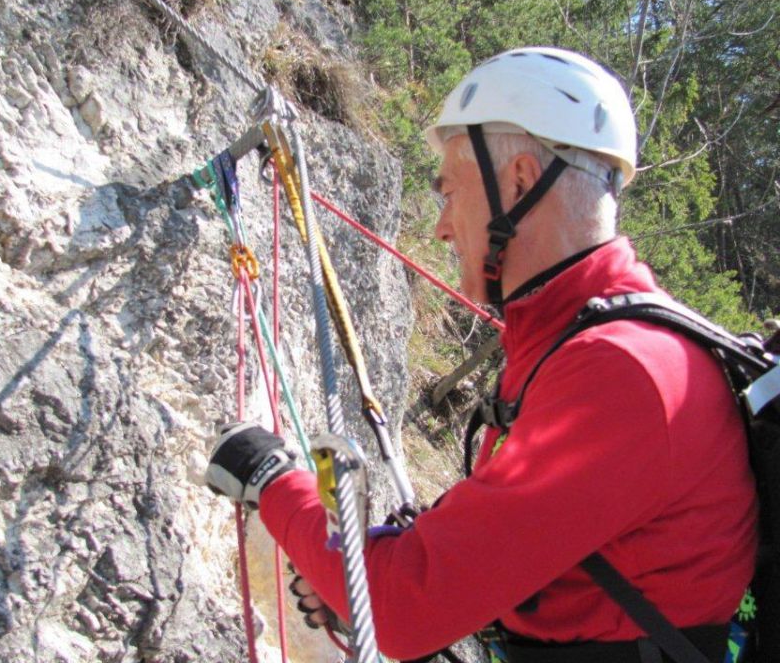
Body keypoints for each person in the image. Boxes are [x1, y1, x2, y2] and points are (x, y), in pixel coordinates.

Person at [205, 47, 758, 662]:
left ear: (518, 181)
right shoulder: (569, 342)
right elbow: (512, 562)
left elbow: (400, 608)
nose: (441, 226)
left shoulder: (624, 371)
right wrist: (365, 566)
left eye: (449, 191)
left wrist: (272, 479)